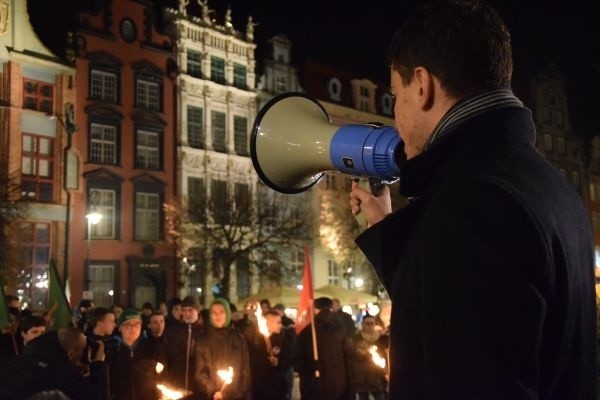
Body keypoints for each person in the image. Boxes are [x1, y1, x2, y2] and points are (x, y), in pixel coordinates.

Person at [347, 1, 596, 399]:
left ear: (422, 85)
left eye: (396, 96)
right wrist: (390, 236)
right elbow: (456, 316)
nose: (396, 118)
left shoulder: (471, 203)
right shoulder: (549, 186)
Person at [0, 326, 108, 400]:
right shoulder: (62, 373)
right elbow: (98, 398)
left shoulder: (21, 358)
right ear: (71, 354)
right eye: (81, 350)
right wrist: (99, 365)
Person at [292, 297, 352, 400]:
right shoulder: (342, 331)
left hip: (313, 389)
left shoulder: (305, 333)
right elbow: (350, 360)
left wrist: (311, 367)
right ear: (331, 308)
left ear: (315, 309)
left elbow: (296, 362)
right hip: (338, 389)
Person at [195, 297, 251, 400]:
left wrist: (239, 392)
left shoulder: (239, 338)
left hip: (236, 396)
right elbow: (200, 372)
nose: (218, 315)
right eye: (214, 312)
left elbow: (245, 370)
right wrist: (212, 391)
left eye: (221, 312)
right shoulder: (203, 340)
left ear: (228, 314)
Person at [105, 308, 162, 400]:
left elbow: (160, 377)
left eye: (136, 324)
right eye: (127, 325)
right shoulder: (112, 350)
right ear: (120, 328)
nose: (132, 328)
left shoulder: (151, 348)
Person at [245, 309, 293, 400]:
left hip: (278, 389)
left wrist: (278, 362)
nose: (281, 325)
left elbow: (289, 359)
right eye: (278, 322)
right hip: (259, 389)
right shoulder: (255, 339)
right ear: (268, 323)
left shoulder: (282, 339)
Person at [162, 295, 203, 393]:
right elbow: (165, 357)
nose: (187, 313)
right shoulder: (172, 332)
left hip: (199, 388)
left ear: (197, 311)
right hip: (177, 385)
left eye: (190, 310)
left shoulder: (205, 333)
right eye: (184, 310)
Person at [349, 315, 389, 400]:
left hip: (378, 378)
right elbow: (352, 357)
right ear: (362, 324)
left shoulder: (380, 339)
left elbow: (384, 356)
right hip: (362, 378)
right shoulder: (356, 339)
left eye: (372, 324)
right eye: (367, 324)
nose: (369, 326)